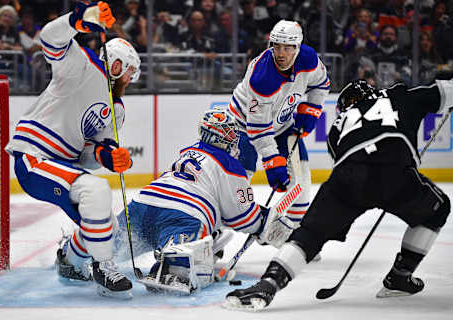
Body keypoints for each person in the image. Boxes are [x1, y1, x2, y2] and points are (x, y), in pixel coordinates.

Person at [223, 78, 453, 311]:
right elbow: (444, 90)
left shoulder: (336, 128)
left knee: (309, 234)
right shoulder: (399, 95)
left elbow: (343, 157)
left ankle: (269, 282)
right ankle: (400, 275)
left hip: (346, 176)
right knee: (438, 208)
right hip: (392, 168)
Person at [63, 108, 293, 294]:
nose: (235, 140)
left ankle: (72, 254)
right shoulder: (231, 165)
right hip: (184, 216)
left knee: (110, 244)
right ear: (223, 137)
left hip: (144, 203)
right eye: (232, 135)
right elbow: (242, 216)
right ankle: (171, 264)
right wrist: (263, 223)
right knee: (180, 270)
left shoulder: (189, 151)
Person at [4, 1, 141, 298]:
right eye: (129, 72)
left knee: (110, 228)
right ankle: (103, 266)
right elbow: (51, 39)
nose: (129, 80)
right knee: (97, 191)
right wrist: (77, 20)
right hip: (34, 157)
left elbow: (90, 154)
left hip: (63, 166)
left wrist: (109, 156)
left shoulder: (115, 109)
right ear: (117, 64)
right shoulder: (84, 65)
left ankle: (69, 259)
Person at [228, 19, 330, 227]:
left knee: (301, 181)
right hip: (242, 125)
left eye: (287, 47)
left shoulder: (308, 59)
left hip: (281, 126)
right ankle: (216, 232)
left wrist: (312, 109)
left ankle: (292, 233)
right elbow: (258, 127)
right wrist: (272, 160)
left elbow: (321, 83)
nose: (281, 53)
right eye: (277, 46)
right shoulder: (262, 77)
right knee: (238, 180)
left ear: (298, 47)